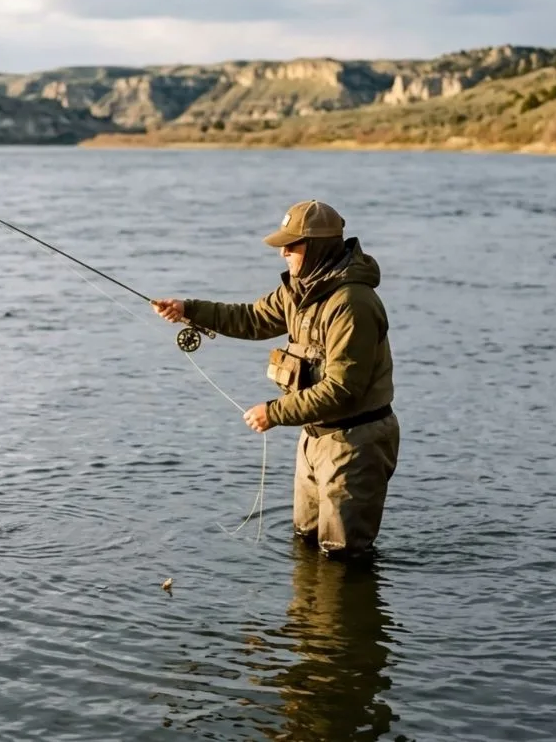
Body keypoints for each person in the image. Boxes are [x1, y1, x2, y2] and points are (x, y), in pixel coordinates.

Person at [152, 199, 399, 561]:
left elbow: (344, 388)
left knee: (344, 558)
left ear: (317, 247)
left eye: (292, 245)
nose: (283, 252)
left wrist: (274, 412)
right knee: (306, 544)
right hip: (314, 437)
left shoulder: (351, 303)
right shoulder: (299, 291)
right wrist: (189, 309)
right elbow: (252, 318)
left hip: (354, 443)